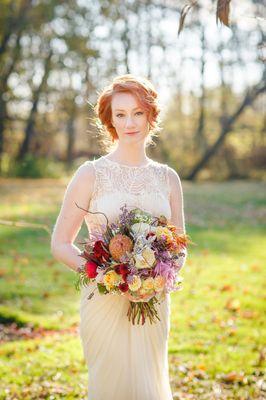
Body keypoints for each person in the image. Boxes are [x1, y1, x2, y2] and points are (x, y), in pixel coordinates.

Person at [51, 74, 187, 400]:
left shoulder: (168, 178)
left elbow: (180, 246)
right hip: (104, 301)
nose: (130, 123)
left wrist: (156, 279)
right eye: (120, 114)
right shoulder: (90, 174)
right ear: (109, 120)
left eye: (138, 113)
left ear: (151, 115)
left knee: (149, 385)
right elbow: (60, 243)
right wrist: (107, 276)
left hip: (152, 302)